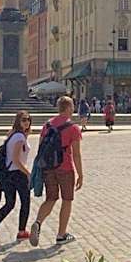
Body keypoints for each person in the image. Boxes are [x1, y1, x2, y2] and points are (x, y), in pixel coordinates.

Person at [29, 96, 83, 246]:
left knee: (51, 198)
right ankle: (61, 234)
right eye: (72, 106)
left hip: (48, 168)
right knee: (67, 200)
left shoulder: (47, 125)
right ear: (68, 108)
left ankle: (38, 222)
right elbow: (76, 154)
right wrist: (80, 174)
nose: (73, 109)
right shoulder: (73, 127)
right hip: (65, 168)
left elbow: (41, 148)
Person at [0, 111, 33, 246]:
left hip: (7, 175)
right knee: (25, 202)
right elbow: (17, 160)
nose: (27, 122)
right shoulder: (19, 137)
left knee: (10, 203)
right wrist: (28, 174)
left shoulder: (12, 135)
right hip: (18, 174)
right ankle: (22, 231)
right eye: (23, 120)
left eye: (28, 119)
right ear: (18, 121)